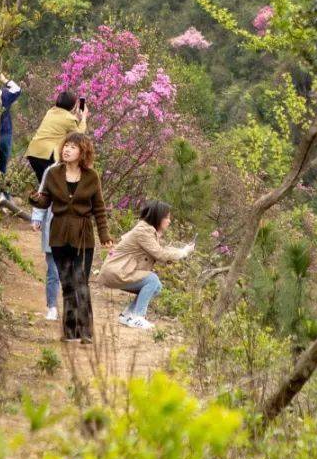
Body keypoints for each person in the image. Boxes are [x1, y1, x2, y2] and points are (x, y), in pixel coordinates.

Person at [30, 132, 108, 343]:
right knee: (67, 282)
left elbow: (99, 208)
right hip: (59, 235)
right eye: (66, 146)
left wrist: (104, 235)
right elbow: (45, 201)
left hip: (83, 236)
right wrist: (36, 200)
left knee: (81, 281)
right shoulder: (53, 173)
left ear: (83, 152)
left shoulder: (92, 176)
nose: (67, 150)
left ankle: (86, 332)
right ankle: (70, 331)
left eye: (73, 147)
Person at [98, 200, 194, 330]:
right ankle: (138, 317)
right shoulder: (143, 231)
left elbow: (161, 250)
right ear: (158, 217)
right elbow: (160, 254)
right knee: (152, 279)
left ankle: (127, 315)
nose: (169, 221)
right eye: (167, 217)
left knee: (157, 286)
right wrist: (183, 253)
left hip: (118, 271)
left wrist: (183, 251)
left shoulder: (148, 231)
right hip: (115, 272)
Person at [25, 90, 88, 188]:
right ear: (72, 105)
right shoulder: (69, 119)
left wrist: (75, 116)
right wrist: (83, 118)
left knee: (44, 185)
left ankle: (43, 201)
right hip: (47, 155)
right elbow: (78, 135)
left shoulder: (51, 111)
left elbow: (62, 122)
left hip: (33, 152)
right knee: (56, 185)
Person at [30, 191, 61, 322]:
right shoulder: (51, 172)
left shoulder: (84, 173)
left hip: (74, 232)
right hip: (53, 229)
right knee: (53, 271)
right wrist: (37, 218)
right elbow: (42, 195)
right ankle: (52, 307)